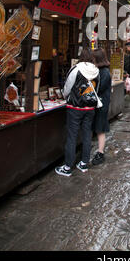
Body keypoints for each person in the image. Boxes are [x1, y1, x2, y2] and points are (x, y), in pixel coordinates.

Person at [55, 48, 99, 177]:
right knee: (87, 135)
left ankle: (68, 166)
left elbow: (68, 87)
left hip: (75, 108)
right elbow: (97, 88)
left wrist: (65, 96)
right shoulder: (96, 71)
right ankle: (84, 163)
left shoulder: (76, 69)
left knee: (72, 136)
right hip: (90, 108)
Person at [90, 48, 111, 166]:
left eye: (93, 58)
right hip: (100, 103)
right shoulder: (100, 71)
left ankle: (100, 152)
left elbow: (99, 89)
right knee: (98, 127)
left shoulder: (104, 72)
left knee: (100, 128)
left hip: (102, 104)